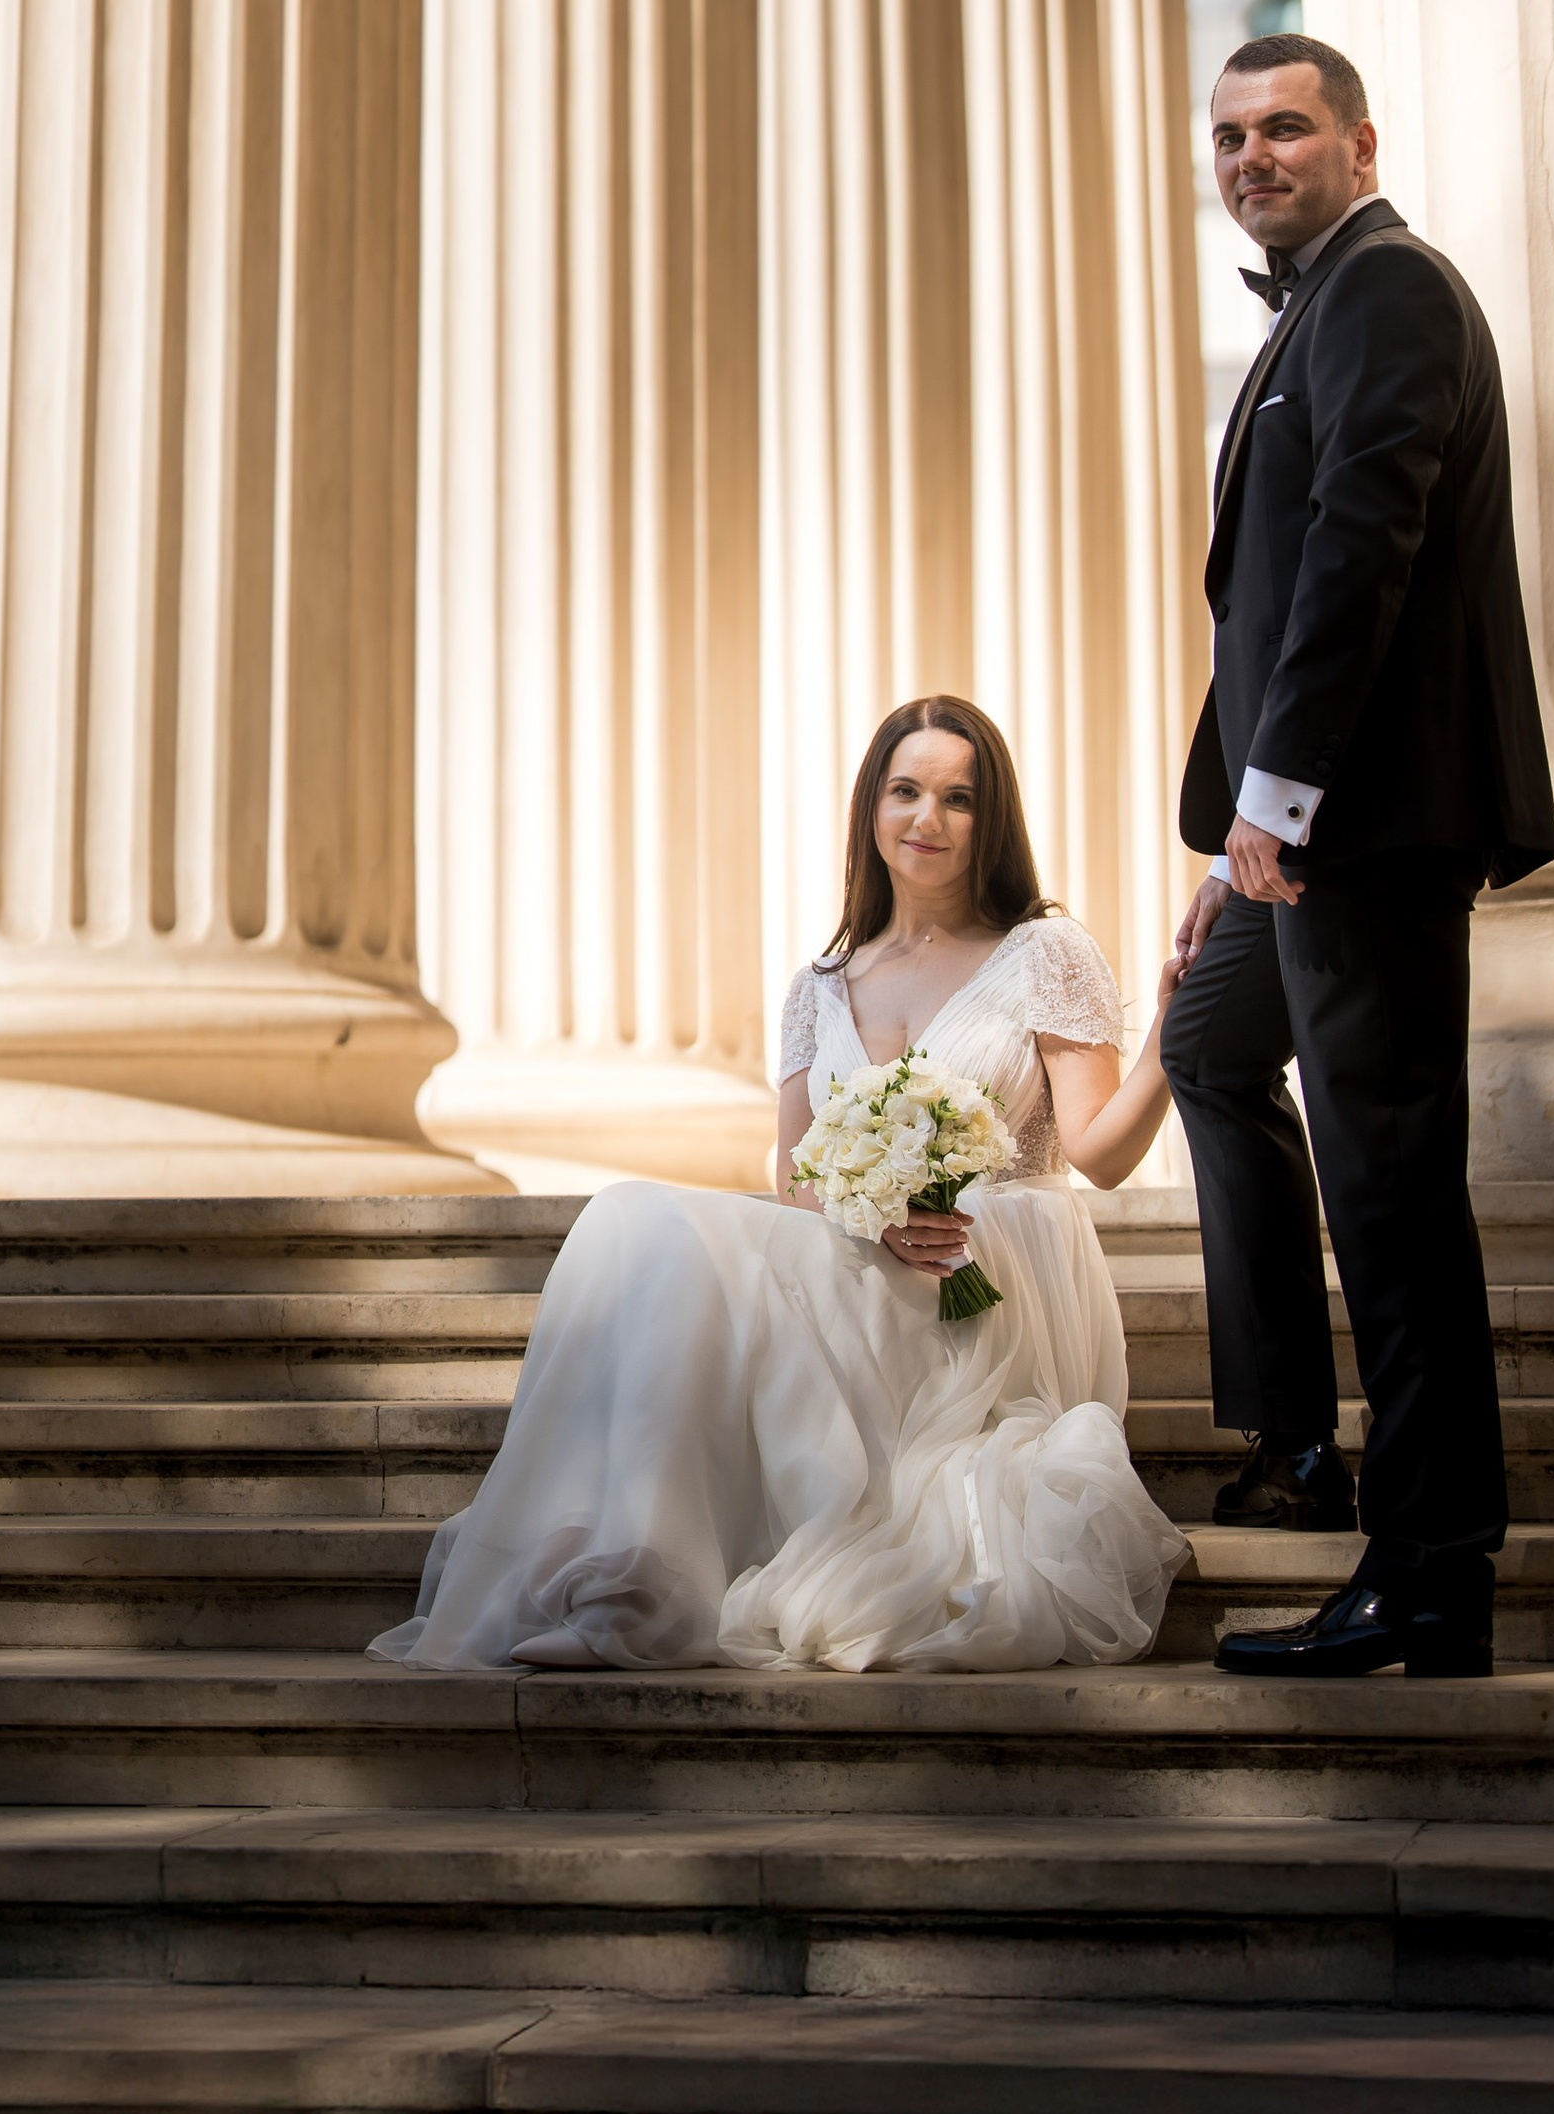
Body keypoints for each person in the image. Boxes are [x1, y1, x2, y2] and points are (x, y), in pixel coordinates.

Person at [367, 696, 1190, 1672]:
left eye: (959, 798)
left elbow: (1099, 1151)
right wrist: (874, 1217)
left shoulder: (1044, 953)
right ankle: (626, 1575)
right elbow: (795, 1177)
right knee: (630, 1219)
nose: (928, 818)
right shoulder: (822, 980)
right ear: (871, 808)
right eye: (906, 790)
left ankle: (639, 1581)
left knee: (683, 1250)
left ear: (990, 818)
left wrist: (1175, 1032)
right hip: (856, 1250)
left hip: (990, 1275)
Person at [1162, 33, 1554, 1680]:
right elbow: (1263, 601)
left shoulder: (1389, 285)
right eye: (1233, 133)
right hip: (1301, 830)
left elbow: (1361, 549)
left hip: (1371, 826)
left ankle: (1430, 1566)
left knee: (1393, 1197)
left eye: (1288, 126)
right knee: (1206, 1040)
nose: (1255, 153)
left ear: (1359, 142)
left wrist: (1286, 794)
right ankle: (1294, 1433)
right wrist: (1229, 837)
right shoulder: (1309, 309)